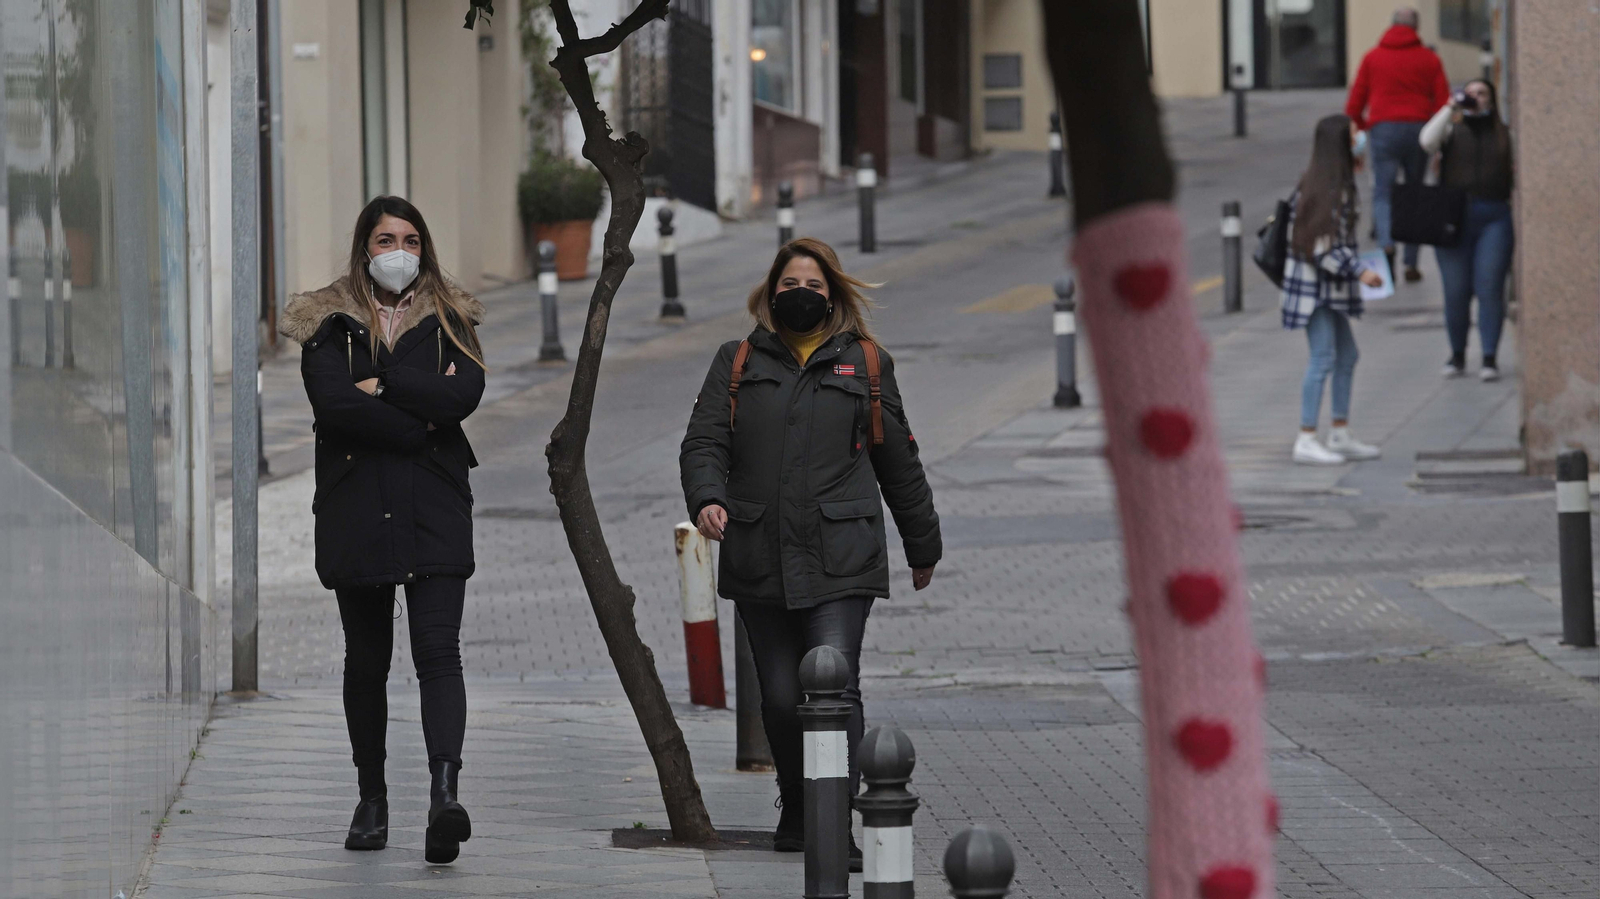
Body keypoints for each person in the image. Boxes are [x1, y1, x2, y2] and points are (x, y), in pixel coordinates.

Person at [679, 238, 941, 867]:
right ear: (772, 294)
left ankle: (833, 824)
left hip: (841, 555)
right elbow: (703, 442)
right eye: (791, 283)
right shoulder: (737, 360)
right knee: (777, 695)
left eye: (816, 285)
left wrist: (922, 542)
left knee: (834, 686)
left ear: (835, 296)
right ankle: (796, 805)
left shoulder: (867, 364)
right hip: (758, 551)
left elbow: (897, 458)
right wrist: (707, 498)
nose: (803, 293)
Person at [279, 196, 487, 864]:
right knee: (366, 660)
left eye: (409, 238)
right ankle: (372, 796)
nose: (398, 249)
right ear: (363, 249)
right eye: (383, 238)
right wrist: (419, 418)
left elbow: (465, 396)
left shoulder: (453, 314)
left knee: (438, 650)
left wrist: (384, 381)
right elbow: (334, 403)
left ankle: (443, 795)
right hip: (358, 505)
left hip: (435, 503)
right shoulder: (328, 319)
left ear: (424, 246)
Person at [1281, 115, 1387, 466]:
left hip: (1323, 289)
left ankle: (1339, 432)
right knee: (1323, 358)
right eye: (1354, 134)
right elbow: (1323, 249)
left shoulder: (1328, 182)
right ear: (1340, 143)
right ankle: (1306, 437)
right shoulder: (1330, 189)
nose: (1361, 138)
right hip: (1314, 290)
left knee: (1347, 355)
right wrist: (1362, 272)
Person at [1345, 7, 1450, 284]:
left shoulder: (1373, 57)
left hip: (1384, 130)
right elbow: (1443, 103)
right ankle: (1411, 262)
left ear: (1391, 25)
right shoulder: (1429, 59)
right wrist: (1440, 142)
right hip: (1419, 129)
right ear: (1416, 27)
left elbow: (1355, 102)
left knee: (1383, 192)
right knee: (1415, 193)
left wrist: (1362, 128)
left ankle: (1386, 245)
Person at [1420, 78, 1514, 381]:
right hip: (1453, 219)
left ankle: (1489, 357)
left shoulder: (1504, 133)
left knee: (1489, 287)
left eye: (1482, 93)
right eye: (1470, 93)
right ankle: (1457, 354)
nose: (1475, 98)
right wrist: (1450, 107)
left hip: (1494, 217)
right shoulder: (1451, 129)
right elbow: (1426, 141)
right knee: (1456, 291)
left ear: (1491, 100)